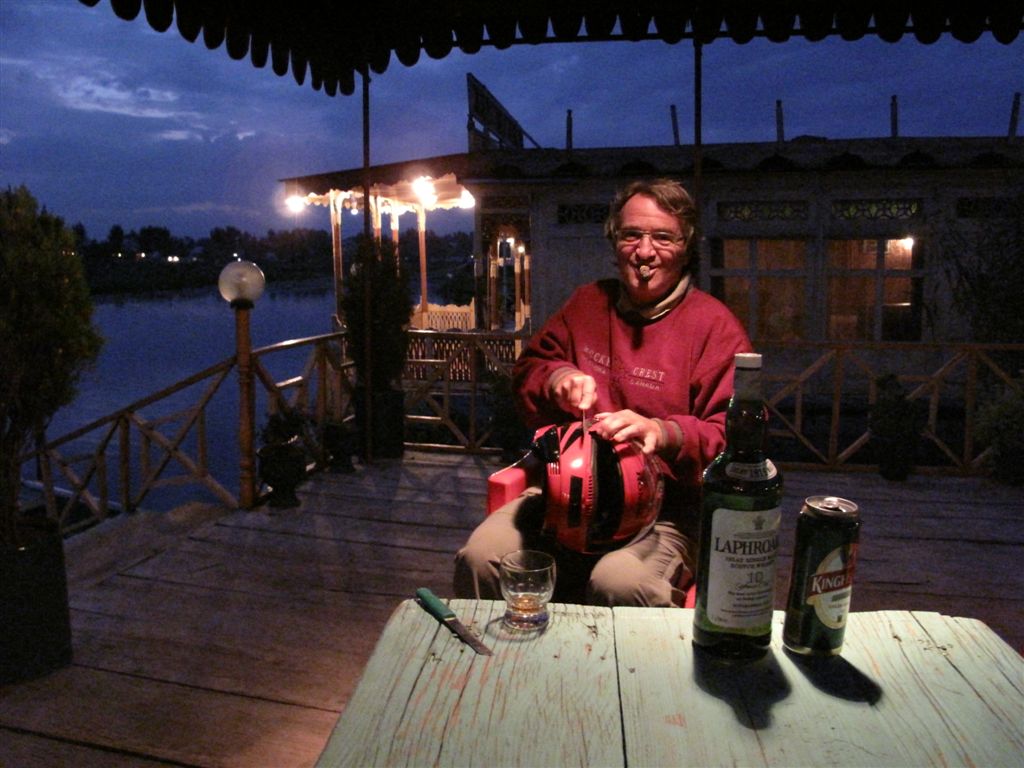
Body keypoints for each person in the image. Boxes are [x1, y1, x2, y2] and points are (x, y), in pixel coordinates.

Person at [454, 178, 752, 606]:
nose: (645, 251)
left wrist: (664, 432)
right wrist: (556, 378)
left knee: (621, 583)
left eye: (663, 238)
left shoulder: (716, 328)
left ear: (686, 246)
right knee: (481, 558)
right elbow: (527, 374)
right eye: (632, 235)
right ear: (614, 242)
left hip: (663, 510)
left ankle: (627, 674)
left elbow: (732, 442)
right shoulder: (587, 303)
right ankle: (502, 670)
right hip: (563, 494)